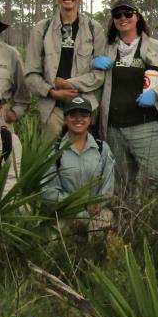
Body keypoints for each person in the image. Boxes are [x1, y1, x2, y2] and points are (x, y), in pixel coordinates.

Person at [91, 0, 158, 199]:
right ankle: (123, 225)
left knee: (153, 183)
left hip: (147, 127)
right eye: (117, 15)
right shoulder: (106, 49)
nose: (123, 18)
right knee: (119, 184)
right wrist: (93, 62)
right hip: (113, 128)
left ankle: (151, 225)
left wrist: (155, 93)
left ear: (137, 17)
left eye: (128, 14)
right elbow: (91, 77)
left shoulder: (156, 48)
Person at [24, 0, 107, 141]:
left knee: (82, 160)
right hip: (52, 109)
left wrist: (69, 84)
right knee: (48, 160)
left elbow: (99, 76)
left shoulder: (94, 29)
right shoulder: (41, 29)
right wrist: (52, 92)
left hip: (84, 108)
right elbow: (30, 74)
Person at [42, 96, 116, 229]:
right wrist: (79, 207)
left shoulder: (102, 148)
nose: (78, 119)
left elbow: (108, 184)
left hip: (97, 211)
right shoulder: (55, 150)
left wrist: (98, 204)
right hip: (65, 211)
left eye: (84, 115)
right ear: (65, 118)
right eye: (73, 115)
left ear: (90, 118)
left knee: (99, 227)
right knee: (57, 237)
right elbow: (49, 191)